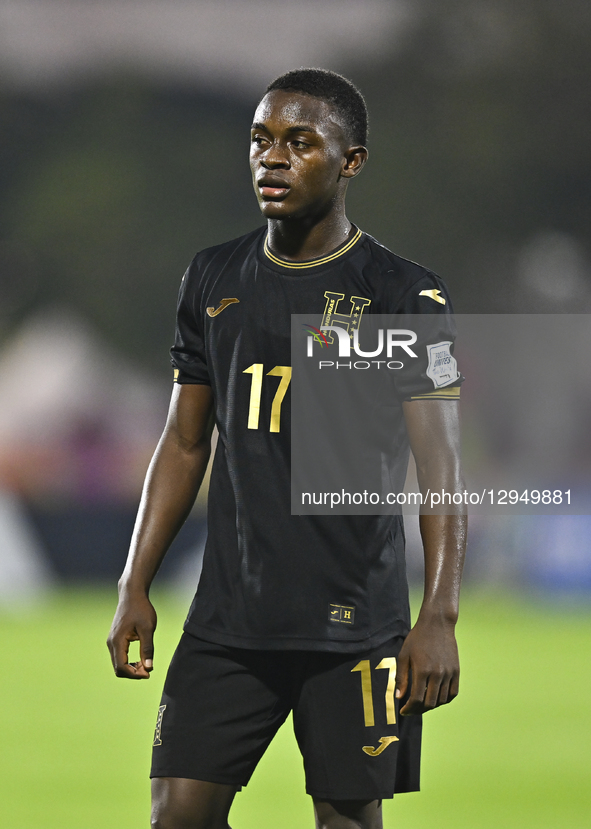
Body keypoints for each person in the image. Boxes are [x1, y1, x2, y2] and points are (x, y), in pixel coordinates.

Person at [107, 68, 466, 829]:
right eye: (260, 140)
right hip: (226, 621)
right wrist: (134, 580)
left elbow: (440, 471)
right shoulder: (212, 276)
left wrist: (437, 616)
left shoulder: (401, 294)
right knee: (175, 817)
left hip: (353, 627)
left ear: (350, 161)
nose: (272, 158)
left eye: (299, 143)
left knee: (345, 822)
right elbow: (181, 443)